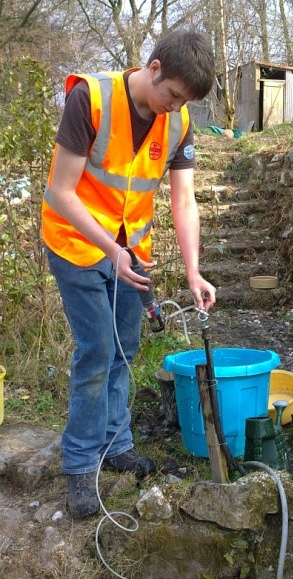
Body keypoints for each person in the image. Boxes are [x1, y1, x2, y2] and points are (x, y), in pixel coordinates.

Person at [41, 28, 216, 519]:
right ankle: (80, 464)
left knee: (126, 346)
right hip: (76, 241)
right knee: (96, 349)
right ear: (154, 68)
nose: (174, 107)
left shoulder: (178, 123)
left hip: (131, 250)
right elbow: (60, 192)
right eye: (172, 95)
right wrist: (109, 250)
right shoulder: (89, 98)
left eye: (185, 102)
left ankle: (116, 445)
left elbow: (183, 200)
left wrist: (193, 270)